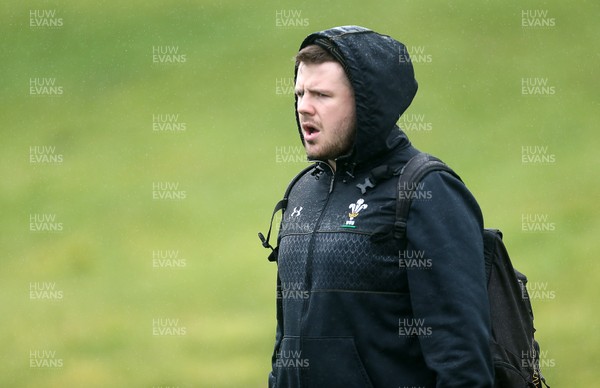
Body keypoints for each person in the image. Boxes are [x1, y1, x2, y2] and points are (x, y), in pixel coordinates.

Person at [265, 25, 493, 387]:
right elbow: (285, 345)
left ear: (368, 103)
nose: (304, 107)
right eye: (300, 93)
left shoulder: (425, 190)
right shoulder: (302, 192)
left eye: (322, 95)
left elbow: (462, 359)